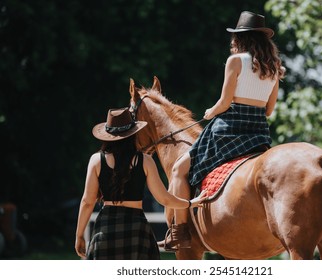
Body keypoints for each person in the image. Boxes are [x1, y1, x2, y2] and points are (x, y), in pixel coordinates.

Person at [160, 11, 285, 251]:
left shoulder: (235, 61)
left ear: (242, 39)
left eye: (235, 37)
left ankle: (180, 232)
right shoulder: (274, 66)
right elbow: (269, 110)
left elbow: (225, 103)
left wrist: (211, 110)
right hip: (258, 132)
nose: (232, 42)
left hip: (229, 128)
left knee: (179, 169)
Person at [75, 107, 207, 260]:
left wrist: (79, 235)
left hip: (106, 229)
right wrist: (190, 203)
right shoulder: (145, 161)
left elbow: (87, 202)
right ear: (133, 134)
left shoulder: (96, 160)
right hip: (137, 230)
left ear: (108, 135)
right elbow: (164, 199)